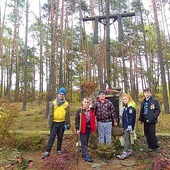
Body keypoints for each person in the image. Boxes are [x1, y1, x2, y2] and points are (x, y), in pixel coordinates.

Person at [42, 87, 71, 159]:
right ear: (58, 94)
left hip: (62, 123)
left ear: (64, 95)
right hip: (54, 123)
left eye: (63, 94)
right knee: (51, 137)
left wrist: (68, 124)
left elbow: (68, 115)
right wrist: (50, 124)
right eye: (60, 94)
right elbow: (50, 114)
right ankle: (47, 151)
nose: (61, 96)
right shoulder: (53, 103)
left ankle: (58, 150)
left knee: (60, 137)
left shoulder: (66, 104)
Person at [138, 87, 161, 152]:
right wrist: (141, 118)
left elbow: (158, 110)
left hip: (151, 120)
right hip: (145, 120)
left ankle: (155, 147)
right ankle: (150, 146)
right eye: (145, 93)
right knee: (147, 133)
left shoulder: (154, 101)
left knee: (152, 134)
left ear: (150, 93)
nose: (147, 94)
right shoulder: (143, 102)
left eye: (148, 92)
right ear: (144, 93)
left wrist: (154, 117)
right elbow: (141, 111)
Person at [75, 97, 97, 162]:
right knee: (83, 141)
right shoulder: (80, 111)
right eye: (85, 102)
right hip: (82, 128)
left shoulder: (91, 110)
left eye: (87, 102)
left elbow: (96, 109)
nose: (86, 104)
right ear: (82, 102)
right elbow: (77, 120)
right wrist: (77, 129)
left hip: (88, 128)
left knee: (86, 141)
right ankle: (86, 155)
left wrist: (91, 108)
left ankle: (84, 153)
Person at [118, 93, 136, 160]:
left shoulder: (130, 107)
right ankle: (129, 150)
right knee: (127, 137)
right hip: (125, 124)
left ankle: (125, 152)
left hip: (128, 125)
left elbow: (131, 117)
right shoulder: (126, 106)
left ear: (129, 99)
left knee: (126, 138)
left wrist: (129, 125)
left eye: (126, 99)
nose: (124, 100)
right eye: (123, 99)